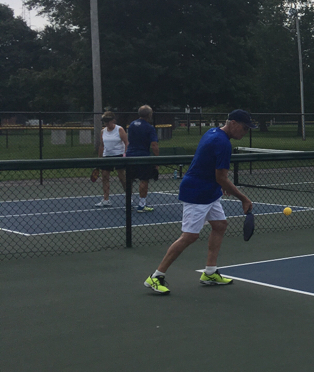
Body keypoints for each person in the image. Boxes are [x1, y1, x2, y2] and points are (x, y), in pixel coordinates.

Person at [144, 109, 256, 295]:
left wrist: (219, 184)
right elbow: (221, 176)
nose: (245, 133)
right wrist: (243, 198)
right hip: (197, 192)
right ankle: (155, 276)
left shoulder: (213, 132)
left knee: (219, 225)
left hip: (208, 190)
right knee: (189, 236)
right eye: (244, 128)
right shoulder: (222, 143)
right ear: (233, 123)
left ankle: (210, 272)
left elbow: (209, 166)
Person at [126, 105, 160, 213]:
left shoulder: (131, 125)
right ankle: (141, 205)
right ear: (149, 115)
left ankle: (128, 202)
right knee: (144, 179)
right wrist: (157, 160)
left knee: (129, 180)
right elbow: (154, 145)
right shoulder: (149, 128)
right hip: (143, 156)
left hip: (130, 155)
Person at [94, 111, 127, 207]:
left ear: (113, 120)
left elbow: (126, 142)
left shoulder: (119, 129)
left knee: (122, 177)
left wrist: (125, 155)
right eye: (104, 121)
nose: (106, 123)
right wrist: (99, 158)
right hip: (106, 156)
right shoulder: (103, 131)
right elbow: (101, 145)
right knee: (104, 177)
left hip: (119, 155)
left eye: (108, 121)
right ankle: (106, 199)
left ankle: (129, 196)